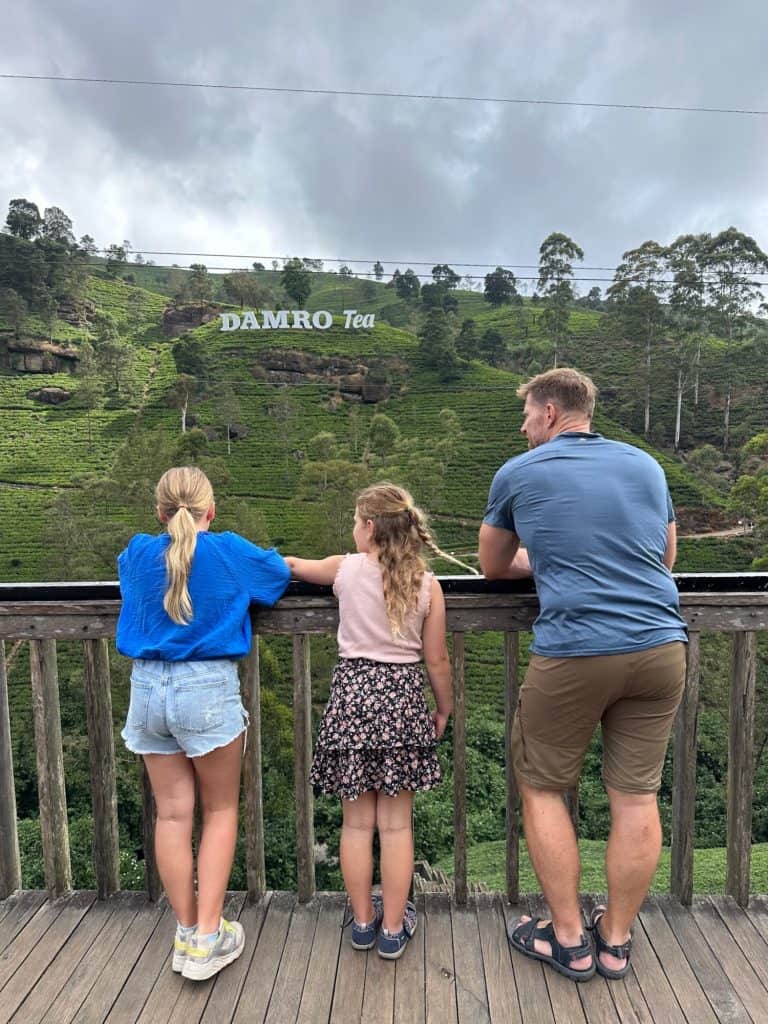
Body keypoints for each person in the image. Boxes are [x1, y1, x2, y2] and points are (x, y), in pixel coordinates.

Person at [479, 368, 687, 983]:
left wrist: (545, 556)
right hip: (660, 646)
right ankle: (616, 940)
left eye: (525, 418)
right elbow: (666, 557)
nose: (523, 430)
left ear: (548, 413)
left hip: (576, 649)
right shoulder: (646, 466)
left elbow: (493, 566)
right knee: (637, 795)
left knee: (542, 787)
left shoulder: (520, 472)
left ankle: (567, 939)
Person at [117, 466, 290, 981]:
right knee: (219, 811)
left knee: (172, 816)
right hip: (206, 691)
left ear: (159, 513)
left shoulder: (138, 552)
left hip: (147, 688)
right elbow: (277, 577)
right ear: (210, 512)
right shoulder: (228, 550)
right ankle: (210, 937)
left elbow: (133, 576)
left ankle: (187, 931)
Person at [286, 483, 458, 960]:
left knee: (357, 825)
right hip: (403, 702)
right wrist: (442, 709)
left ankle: (362, 922)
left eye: (355, 521)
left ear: (369, 527)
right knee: (397, 827)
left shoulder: (344, 570)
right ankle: (393, 929)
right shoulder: (428, 584)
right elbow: (438, 661)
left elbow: (294, 567)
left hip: (352, 701)